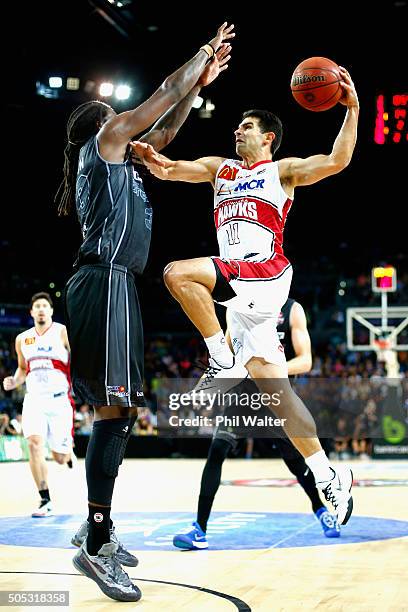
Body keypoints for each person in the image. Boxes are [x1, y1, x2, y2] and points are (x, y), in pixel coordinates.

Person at [55, 23, 235, 603]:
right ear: (105, 129)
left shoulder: (123, 163)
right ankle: (98, 541)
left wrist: (197, 87)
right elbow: (157, 98)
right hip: (103, 284)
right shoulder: (101, 146)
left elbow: (165, 126)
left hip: (117, 288)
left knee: (121, 412)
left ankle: (94, 525)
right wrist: (201, 53)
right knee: (116, 410)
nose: (127, 126)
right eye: (116, 118)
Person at [143, 66, 359, 526]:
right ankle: (328, 477)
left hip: (265, 274)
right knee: (278, 396)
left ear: (268, 139)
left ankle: (219, 357)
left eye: (247, 127)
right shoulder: (218, 170)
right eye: (237, 125)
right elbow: (169, 170)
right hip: (243, 300)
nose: (237, 130)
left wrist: (353, 109)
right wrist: (149, 157)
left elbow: (338, 160)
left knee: (178, 274)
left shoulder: (283, 172)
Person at [173, 299, 340, 550]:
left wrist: (267, 369)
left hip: (276, 396)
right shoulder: (235, 307)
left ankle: (319, 508)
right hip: (242, 396)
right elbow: (224, 358)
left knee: (296, 462)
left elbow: (305, 361)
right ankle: (199, 528)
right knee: (217, 450)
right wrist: (203, 388)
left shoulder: (292, 309)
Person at [2, 292, 74, 517]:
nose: (41, 309)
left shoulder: (63, 332)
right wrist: (14, 381)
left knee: (59, 457)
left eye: (45, 306)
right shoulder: (22, 339)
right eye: (37, 306)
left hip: (60, 400)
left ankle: (67, 450)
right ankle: (45, 499)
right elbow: (23, 369)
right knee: (34, 443)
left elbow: (78, 360)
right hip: (34, 400)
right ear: (31, 312)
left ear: (51, 311)